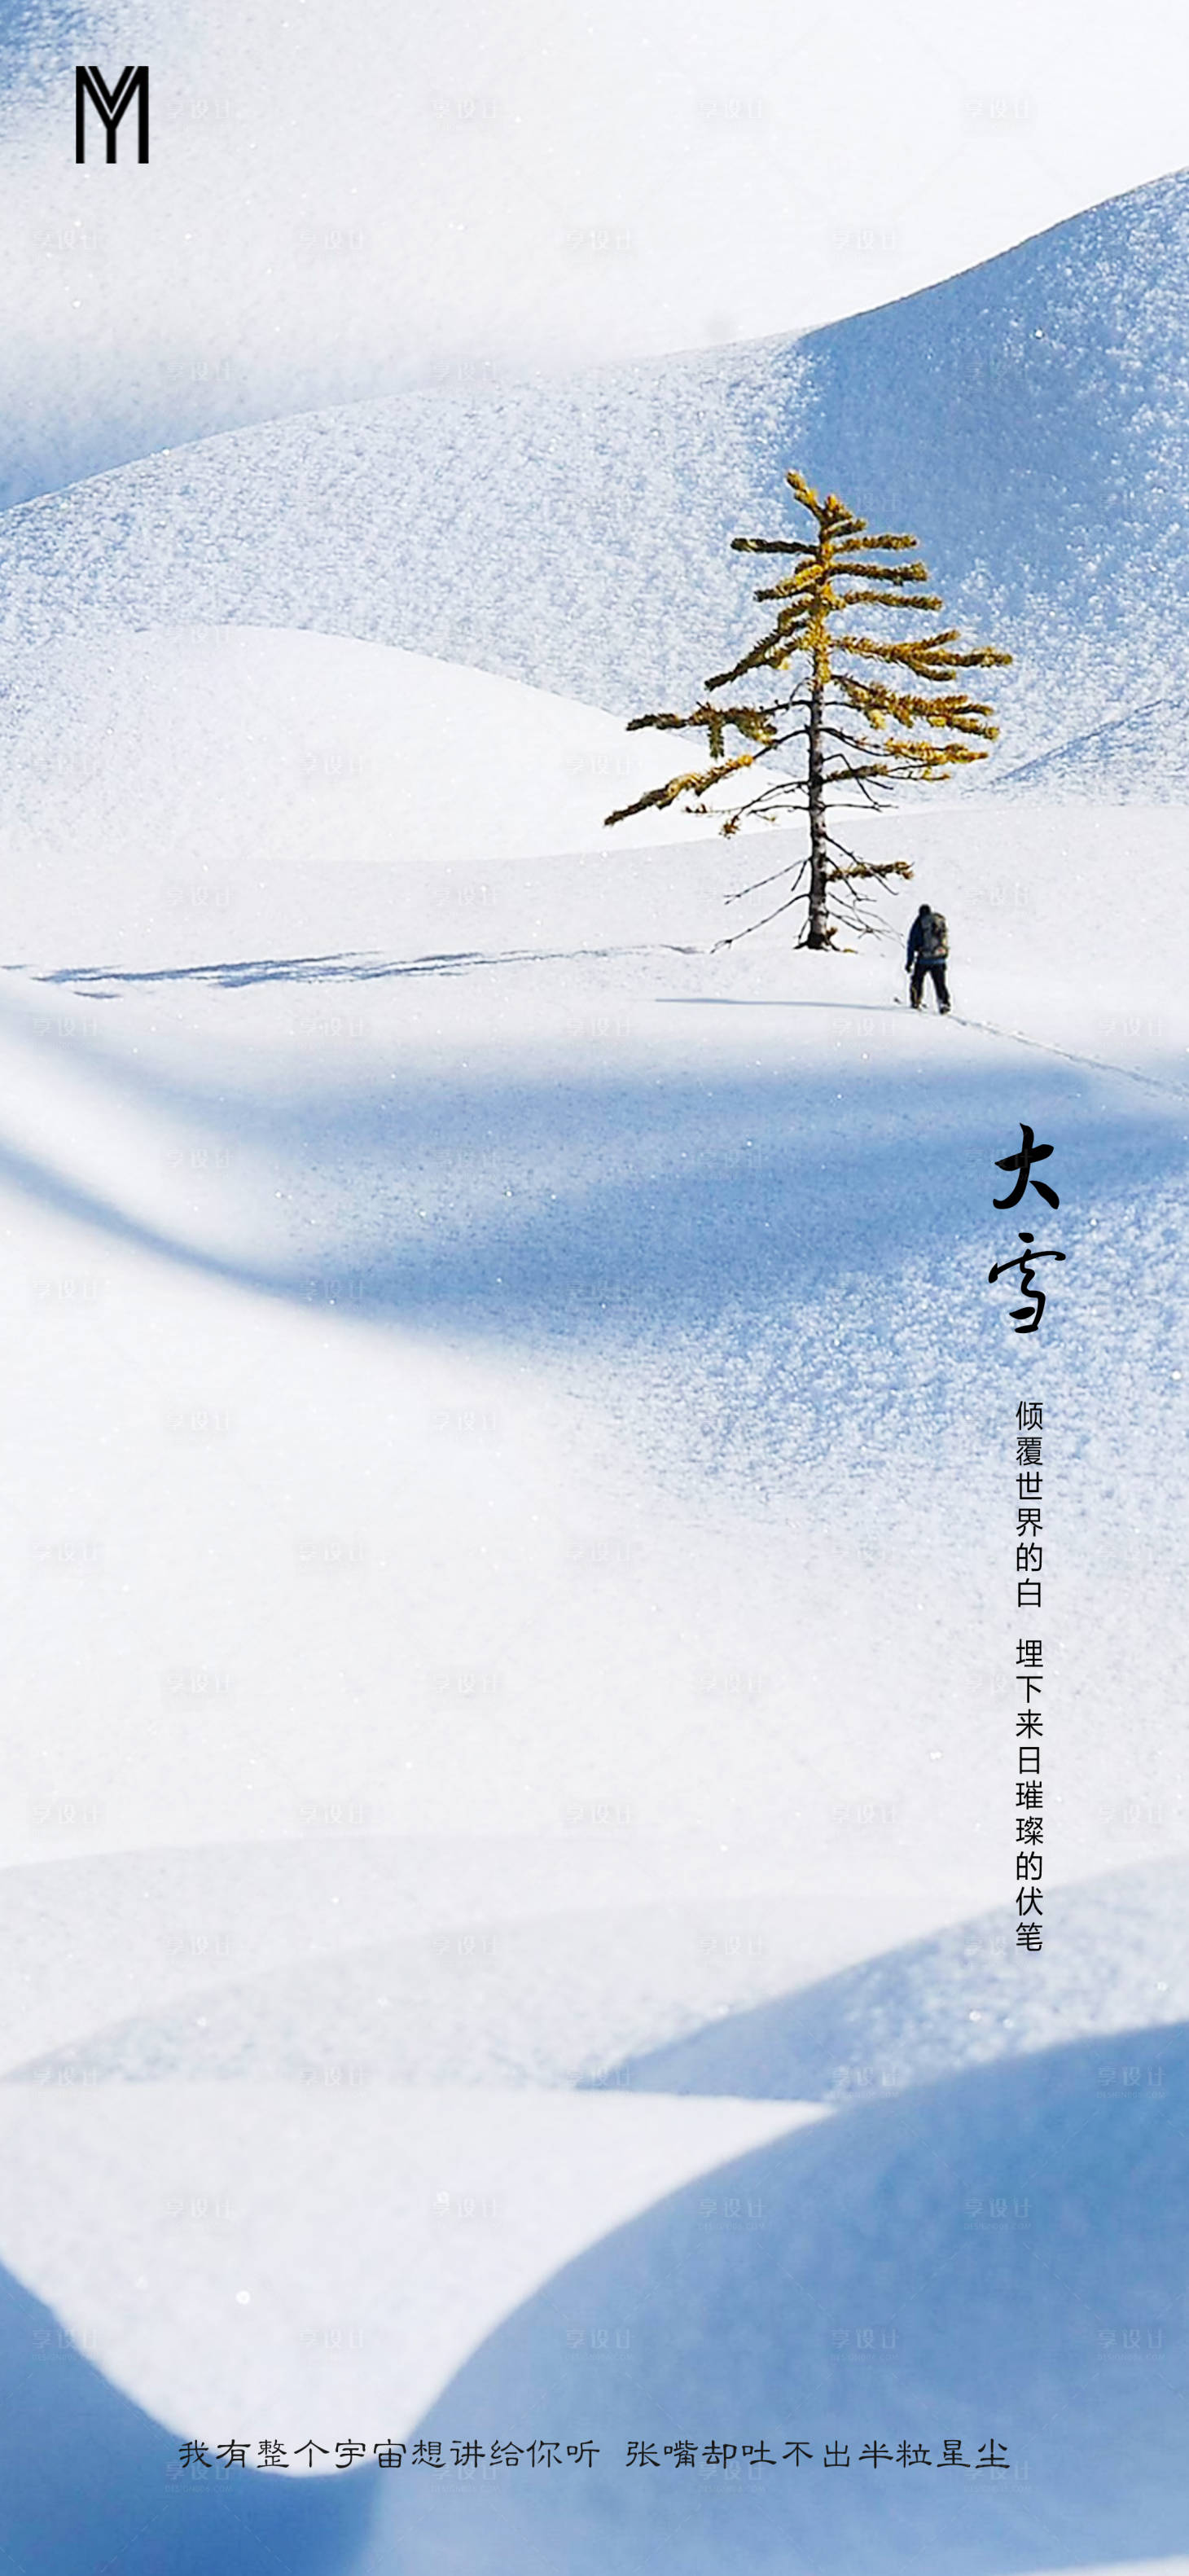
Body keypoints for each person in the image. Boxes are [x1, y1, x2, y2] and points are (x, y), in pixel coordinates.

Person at [906, 903, 950, 1013]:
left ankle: (916, 1001)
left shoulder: (919, 923)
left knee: (917, 980)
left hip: (924, 959)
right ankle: (944, 1003)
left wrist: (909, 962)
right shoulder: (938, 921)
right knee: (940, 983)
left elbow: (911, 943)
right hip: (939, 958)